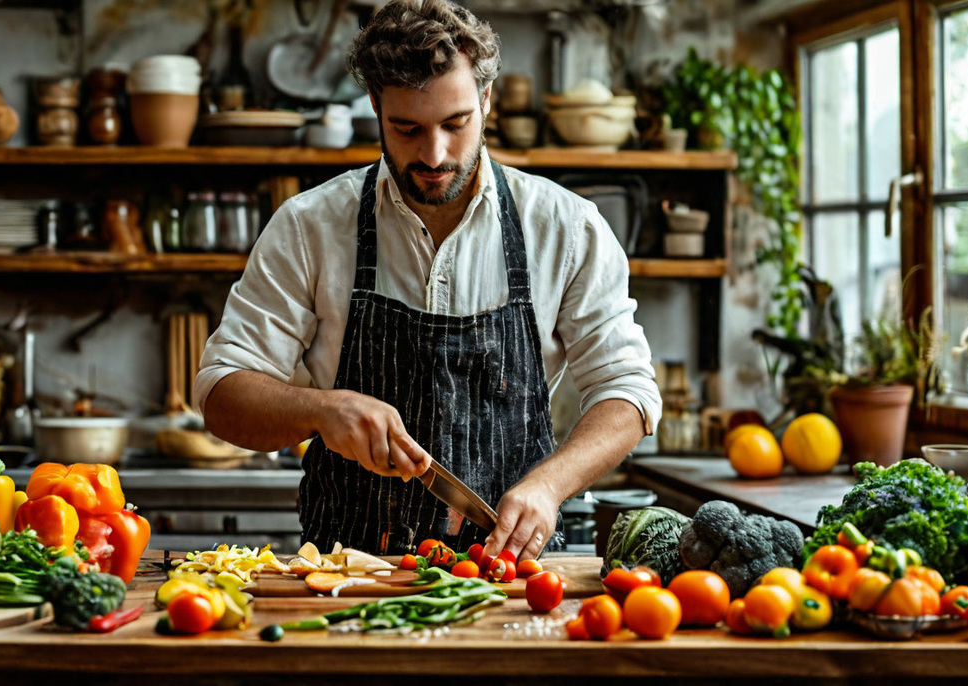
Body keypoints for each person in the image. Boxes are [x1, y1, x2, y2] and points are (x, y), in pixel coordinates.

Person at [195, 0, 660, 562]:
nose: (433, 154)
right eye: (407, 128)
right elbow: (222, 392)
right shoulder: (310, 225)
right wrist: (321, 410)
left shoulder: (566, 227)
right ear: (375, 106)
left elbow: (628, 391)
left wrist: (549, 485)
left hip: (511, 571)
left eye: (455, 123)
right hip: (347, 578)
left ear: (486, 100)